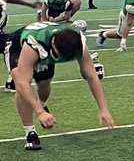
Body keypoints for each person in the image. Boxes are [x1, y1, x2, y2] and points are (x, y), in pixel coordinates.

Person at [9, 22, 112, 150]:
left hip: (47, 49)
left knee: (44, 84)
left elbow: (91, 76)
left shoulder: (78, 43)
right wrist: (39, 113)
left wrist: (103, 109)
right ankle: (30, 132)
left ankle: (42, 103)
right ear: (54, 46)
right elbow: (22, 83)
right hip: (18, 47)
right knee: (20, 83)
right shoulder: (35, 44)